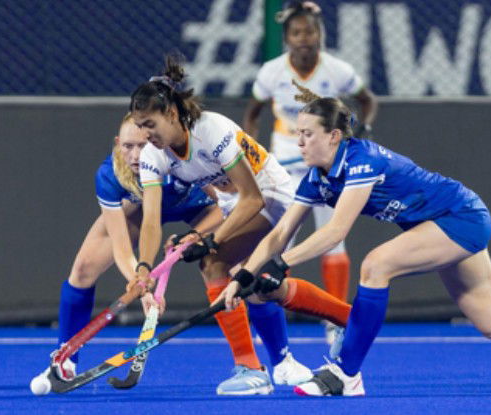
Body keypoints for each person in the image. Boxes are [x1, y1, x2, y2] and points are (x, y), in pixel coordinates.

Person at [216, 82, 491, 396]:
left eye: (307, 133)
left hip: (460, 217)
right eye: (298, 132)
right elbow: (281, 233)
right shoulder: (316, 178)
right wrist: (245, 275)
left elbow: (336, 231)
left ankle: (346, 373)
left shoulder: (361, 160)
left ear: (334, 137)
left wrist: (282, 265)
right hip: (438, 226)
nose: (299, 141)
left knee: (376, 265)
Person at [129, 55, 355, 395]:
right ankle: (343, 325)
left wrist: (211, 241)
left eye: (150, 124)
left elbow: (252, 198)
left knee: (214, 263)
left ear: (172, 113)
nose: (146, 135)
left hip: (273, 195)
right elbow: (150, 220)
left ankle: (250, 368)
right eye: (140, 126)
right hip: (234, 206)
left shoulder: (210, 130)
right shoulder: (153, 154)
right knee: (260, 287)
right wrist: (144, 268)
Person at [30, 113, 222, 385]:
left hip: (200, 209)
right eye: (127, 146)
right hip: (142, 210)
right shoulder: (110, 175)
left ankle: (268, 361)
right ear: (117, 143)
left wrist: (195, 235)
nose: (135, 155)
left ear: (156, 141)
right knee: (83, 270)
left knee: (229, 266)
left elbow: (228, 206)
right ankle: (66, 357)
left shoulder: (180, 160)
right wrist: (142, 285)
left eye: (142, 146)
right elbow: (121, 247)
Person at [243, 0, 378, 342]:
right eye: (296, 33)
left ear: (320, 35)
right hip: (286, 165)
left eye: (310, 32)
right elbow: (253, 114)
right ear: (287, 38)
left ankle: (335, 321)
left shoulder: (337, 70)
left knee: (333, 238)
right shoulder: (272, 72)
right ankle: (271, 317)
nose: (304, 38)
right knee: (279, 240)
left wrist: (362, 130)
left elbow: (368, 101)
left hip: (328, 167)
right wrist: (252, 153)